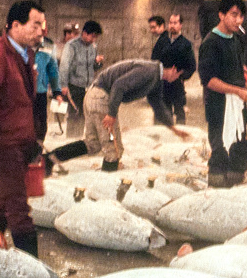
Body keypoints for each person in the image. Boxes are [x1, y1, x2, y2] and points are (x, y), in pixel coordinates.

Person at [45, 54, 194, 173]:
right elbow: (118, 86)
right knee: (114, 150)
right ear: (174, 69)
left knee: (92, 144)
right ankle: (107, 192)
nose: (177, 79)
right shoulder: (149, 71)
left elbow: (158, 105)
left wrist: (173, 128)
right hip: (101, 99)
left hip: (93, 97)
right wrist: (111, 114)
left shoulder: (155, 79)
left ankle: (49, 159)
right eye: (179, 75)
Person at [0, 0, 44, 256]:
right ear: (16, 25)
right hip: (5, 144)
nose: (40, 31)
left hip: (22, 141)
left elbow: (26, 101)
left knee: (5, 200)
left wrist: (35, 138)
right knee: (18, 206)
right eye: (35, 25)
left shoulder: (26, 55)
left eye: (41, 25)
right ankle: (32, 265)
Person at [198, 0, 247, 187]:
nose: (238, 20)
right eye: (234, 15)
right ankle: (216, 189)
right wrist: (237, 91)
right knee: (220, 149)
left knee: (240, 147)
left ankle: (236, 188)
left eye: (241, 16)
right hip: (219, 106)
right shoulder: (211, 43)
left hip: (237, 105)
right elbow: (209, 80)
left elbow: (237, 65)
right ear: (221, 15)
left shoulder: (237, 40)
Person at [59, 19, 104, 138]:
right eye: (92, 36)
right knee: (75, 114)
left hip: (88, 87)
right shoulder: (71, 46)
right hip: (74, 86)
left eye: (96, 37)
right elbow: (64, 66)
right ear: (84, 33)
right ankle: (71, 139)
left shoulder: (93, 47)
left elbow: (93, 67)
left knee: (84, 114)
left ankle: (79, 138)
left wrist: (98, 63)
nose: (94, 40)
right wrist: (63, 85)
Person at [159, 13, 196, 124]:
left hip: (177, 85)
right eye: (170, 23)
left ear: (180, 25)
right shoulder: (163, 42)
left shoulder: (186, 44)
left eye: (175, 23)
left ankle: (181, 133)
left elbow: (192, 66)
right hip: (164, 84)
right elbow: (155, 61)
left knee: (180, 113)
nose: (172, 25)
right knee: (165, 114)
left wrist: (181, 76)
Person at [33, 20, 62, 142]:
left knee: (41, 126)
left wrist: (57, 92)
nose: (41, 35)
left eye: (43, 31)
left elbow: (52, 69)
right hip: (22, 92)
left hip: (40, 91)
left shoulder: (49, 45)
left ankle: (39, 150)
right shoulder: (22, 44)